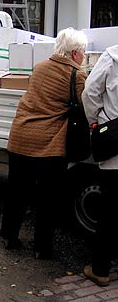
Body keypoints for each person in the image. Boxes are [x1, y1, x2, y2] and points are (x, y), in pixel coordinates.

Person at [0, 27, 88, 259]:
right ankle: (42, 248)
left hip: (20, 137)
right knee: (48, 198)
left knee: (16, 191)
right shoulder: (77, 76)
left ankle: (9, 237)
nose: (85, 56)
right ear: (75, 53)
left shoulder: (39, 68)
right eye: (84, 52)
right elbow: (86, 104)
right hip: (48, 144)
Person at [81, 44, 118, 287]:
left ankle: (101, 270)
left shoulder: (113, 55)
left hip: (115, 144)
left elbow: (90, 93)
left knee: (109, 211)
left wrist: (96, 123)